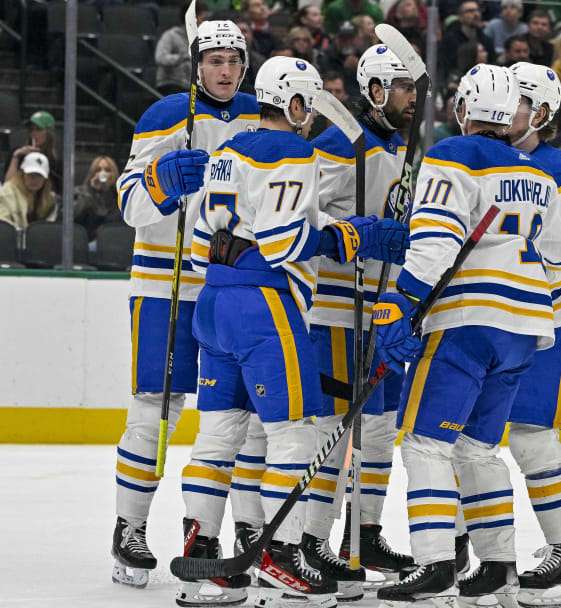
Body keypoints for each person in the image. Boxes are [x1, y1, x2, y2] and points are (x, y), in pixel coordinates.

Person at [186, 55, 406, 608]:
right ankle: (279, 558)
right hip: (264, 303)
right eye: (307, 106)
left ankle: (205, 559)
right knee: (295, 434)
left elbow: (195, 249)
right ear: (297, 103)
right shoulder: (294, 151)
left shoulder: (225, 151)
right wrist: (345, 237)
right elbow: (286, 241)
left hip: (212, 301)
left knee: (218, 435)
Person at [372, 64, 561, 608]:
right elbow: (555, 251)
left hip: (468, 322)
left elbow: (435, 244)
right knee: (479, 449)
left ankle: (435, 566)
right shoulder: (537, 174)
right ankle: (499, 566)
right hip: (526, 326)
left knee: (425, 442)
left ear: (462, 109)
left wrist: (400, 302)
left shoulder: (452, 154)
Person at [109, 20, 260, 599]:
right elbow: (129, 206)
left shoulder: (257, 116)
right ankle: (130, 528)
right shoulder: (166, 115)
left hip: (233, 287)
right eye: (214, 59)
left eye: (233, 60)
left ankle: (234, 531)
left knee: (239, 419)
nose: (224, 70)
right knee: (156, 407)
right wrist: (160, 179)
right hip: (164, 284)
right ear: (196, 64)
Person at [284, 45, 418, 596]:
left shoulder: (404, 146)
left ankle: (361, 536)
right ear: (377, 91)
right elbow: (297, 214)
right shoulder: (338, 141)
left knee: (381, 427)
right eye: (403, 87)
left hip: (385, 309)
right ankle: (313, 540)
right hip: (340, 306)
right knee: (338, 428)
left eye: (415, 87)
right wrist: (349, 234)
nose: (413, 97)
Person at [458, 60, 561, 608]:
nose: (509, 106)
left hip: (546, 325)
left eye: (522, 100)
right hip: (494, 323)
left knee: (533, 441)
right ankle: (471, 548)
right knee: (469, 443)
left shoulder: (556, 170)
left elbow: (555, 257)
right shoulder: (486, 160)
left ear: (544, 113)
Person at [0, 151, 56, 230]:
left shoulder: (51, 201)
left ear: (45, 179)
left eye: (39, 176)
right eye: (30, 175)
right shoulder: (5, 195)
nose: (34, 179)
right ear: (22, 174)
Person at [153, 0, 208, 95]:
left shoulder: (199, 39)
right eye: (202, 19)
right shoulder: (170, 35)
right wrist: (184, 57)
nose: (204, 23)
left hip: (190, 85)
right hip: (170, 83)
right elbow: (160, 58)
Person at [5, 110, 60, 190]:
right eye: (31, 129)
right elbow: (7, 187)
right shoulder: (18, 154)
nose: (33, 133)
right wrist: (16, 157)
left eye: (38, 129)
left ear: (49, 133)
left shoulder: (55, 161)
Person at [439, 1, 494, 80]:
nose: (476, 14)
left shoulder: (486, 40)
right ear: (460, 17)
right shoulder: (450, 40)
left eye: (478, 10)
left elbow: (492, 64)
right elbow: (447, 67)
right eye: (470, 11)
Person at [73, 155, 120, 243]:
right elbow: (75, 217)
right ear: (92, 174)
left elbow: (110, 219)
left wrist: (106, 192)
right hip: (85, 242)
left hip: (111, 241)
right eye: (98, 170)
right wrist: (91, 191)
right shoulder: (79, 192)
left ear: (113, 174)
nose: (103, 173)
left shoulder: (119, 196)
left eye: (108, 170)